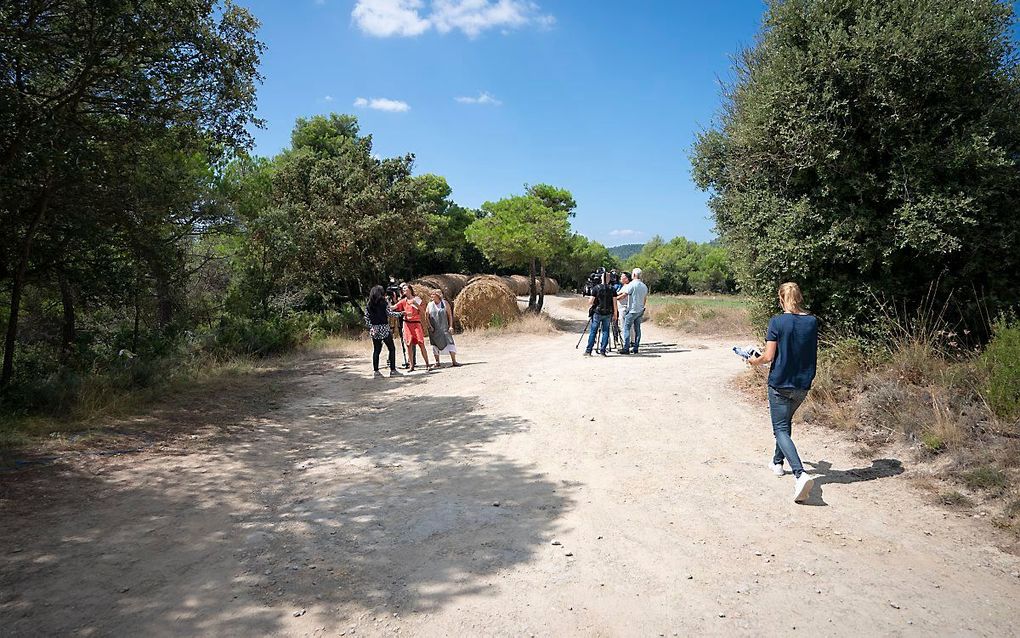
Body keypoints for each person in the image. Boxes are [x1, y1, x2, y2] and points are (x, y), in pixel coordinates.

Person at [747, 282, 819, 503]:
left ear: (781, 299)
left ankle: (800, 474)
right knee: (785, 424)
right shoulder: (812, 321)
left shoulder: (777, 321)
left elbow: (768, 357)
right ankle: (777, 462)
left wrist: (753, 360)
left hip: (780, 383)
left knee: (780, 429)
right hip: (803, 383)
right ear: (800, 297)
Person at [393, 283, 433, 372]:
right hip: (407, 324)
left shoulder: (417, 299)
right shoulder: (403, 301)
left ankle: (427, 364)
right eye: (403, 289)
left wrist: (416, 304)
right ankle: (411, 366)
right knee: (409, 345)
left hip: (416, 323)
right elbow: (394, 307)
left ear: (410, 289)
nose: (404, 290)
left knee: (421, 343)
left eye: (405, 288)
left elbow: (423, 311)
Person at [365, 285, 399, 376]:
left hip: (375, 329)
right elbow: (390, 313)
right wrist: (401, 313)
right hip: (384, 327)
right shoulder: (384, 303)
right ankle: (392, 370)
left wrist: (371, 327)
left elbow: (367, 318)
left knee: (376, 350)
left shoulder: (369, 304)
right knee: (391, 348)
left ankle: (376, 371)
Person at [585, 271, 617, 356]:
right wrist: (615, 314)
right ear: (609, 279)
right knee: (606, 331)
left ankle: (588, 351)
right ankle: (603, 351)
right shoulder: (612, 289)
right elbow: (614, 303)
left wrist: (592, 301)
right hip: (608, 313)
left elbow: (591, 302)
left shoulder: (596, 288)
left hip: (597, 312)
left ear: (601, 278)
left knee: (593, 331)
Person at [616, 267, 648, 354]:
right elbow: (645, 299)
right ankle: (636, 347)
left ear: (633, 275)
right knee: (637, 329)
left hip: (632, 310)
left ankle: (626, 348)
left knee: (626, 328)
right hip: (640, 310)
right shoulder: (644, 286)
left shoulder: (632, 285)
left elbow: (624, 295)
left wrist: (614, 299)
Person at [426, 289, 460, 368]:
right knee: (435, 345)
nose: (431, 296)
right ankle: (437, 362)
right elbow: (426, 316)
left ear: (438, 295)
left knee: (450, 343)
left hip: (444, 328)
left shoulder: (445, 303)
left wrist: (451, 326)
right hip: (435, 329)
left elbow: (450, 315)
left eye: (433, 294)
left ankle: (454, 361)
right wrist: (430, 326)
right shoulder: (430, 305)